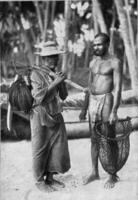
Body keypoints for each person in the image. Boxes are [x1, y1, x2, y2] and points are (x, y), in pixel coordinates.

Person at [79, 33, 122, 189]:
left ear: (107, 44)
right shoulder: (92, 63)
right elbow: (89, 87)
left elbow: (117, 89)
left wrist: (114, 111)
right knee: (94, 139)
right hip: (93, 101)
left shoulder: (115, 62)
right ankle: (94, 172)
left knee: (109, 138)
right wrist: (84, 108)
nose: (96, 47)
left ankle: (112, 174)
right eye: (94, 44)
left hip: (107, 100)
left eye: (99, 44)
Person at [30, 41, 70, 192]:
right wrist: (55, 82)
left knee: (57, 146)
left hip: (55, 112)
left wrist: (62, 82)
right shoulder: (35, 73)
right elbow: (39, 97)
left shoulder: (56, 73)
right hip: (40, 114)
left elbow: (64, 96)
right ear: (43, 59)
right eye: (49, 58)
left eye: (55, 57)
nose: (52, 60)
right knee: (40, 148)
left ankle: (51, 177)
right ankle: (40, 181)